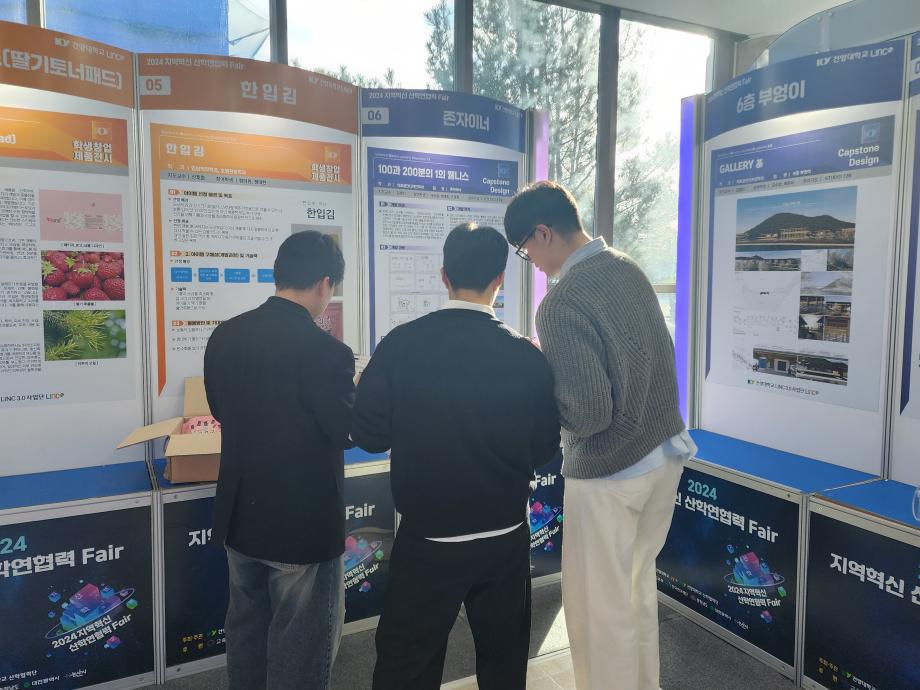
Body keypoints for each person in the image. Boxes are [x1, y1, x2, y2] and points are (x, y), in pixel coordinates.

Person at [504, 181, 696, 690]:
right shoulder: (628, 268)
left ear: (543, 233)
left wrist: (541, 375)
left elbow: (587, 415)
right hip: (663, 453)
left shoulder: (561, 303)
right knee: (635, 593)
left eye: (524, 250)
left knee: (598, 610)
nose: (532, 263)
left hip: (610, 470)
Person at [352, 223, 560, 690]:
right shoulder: (527, 357)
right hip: (505, 537)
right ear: (500, 279)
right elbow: (546, 448)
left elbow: (369, 435)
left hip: (428, 540)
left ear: (443, 275)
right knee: (504, 665)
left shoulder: (401, 345)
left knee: (406, 666)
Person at [203, 230, 355, 690]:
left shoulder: (225, 336)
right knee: (301, 649)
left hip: (240, 518)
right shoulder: (328, 352)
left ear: (279, 274)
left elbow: (219, 410)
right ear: (325, 284)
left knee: (247, 634)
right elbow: (345, 430)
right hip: (301, 526)